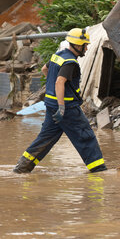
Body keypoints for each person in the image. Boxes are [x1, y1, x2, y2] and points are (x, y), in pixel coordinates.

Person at [13, 28, 107, 174]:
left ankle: (22, 167)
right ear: (77, 45)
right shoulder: (70, 62)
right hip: (67, 108)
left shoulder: (59, 55)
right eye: (85, 45)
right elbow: (59, 82)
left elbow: (45, 69)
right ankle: (99, 171)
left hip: (50, 105)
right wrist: (62, 106)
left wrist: (51, 90)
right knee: (85, 136)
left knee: (46, 138)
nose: (86, 48)